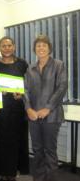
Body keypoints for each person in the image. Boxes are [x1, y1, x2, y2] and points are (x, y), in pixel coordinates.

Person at [24, 35, 67, 181]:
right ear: (34, 49)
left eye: (44, 45)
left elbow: (62, 88)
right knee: (37, 151)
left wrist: (47, 108)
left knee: (50, 151)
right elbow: (25, 91)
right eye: (38, 46)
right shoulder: (31, 68)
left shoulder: (59, 65)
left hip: (52, 116)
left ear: (49, 48)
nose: (41, 48)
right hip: (33, 116)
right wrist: (29, 109)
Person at [0, 36, 29, 181]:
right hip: (0, 111)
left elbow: (29, 85)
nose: (6, 48)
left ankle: (13, 173)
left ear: (14, 47)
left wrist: (22, 93)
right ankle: (2, 172)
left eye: (9, 45)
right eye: (3, 45)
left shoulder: (22, 64)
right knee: (1, 143)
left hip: (18, 112)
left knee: (16, 143)